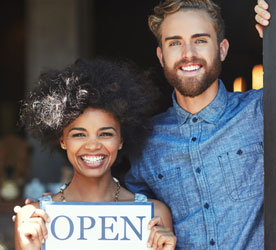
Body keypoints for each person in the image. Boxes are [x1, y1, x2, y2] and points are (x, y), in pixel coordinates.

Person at [125, 0, 264, 249]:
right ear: (161, 56)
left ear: (222, 49)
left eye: (200, 40)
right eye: (175, 43)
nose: (188, 53)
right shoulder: (145, 140)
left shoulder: (261, 111)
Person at [14, 58, 176, 250]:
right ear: (62, 140)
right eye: (79, 134)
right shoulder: (34, 217)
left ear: (121, 139)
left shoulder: (154, 216)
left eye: (105, 134)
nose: (92, 146)